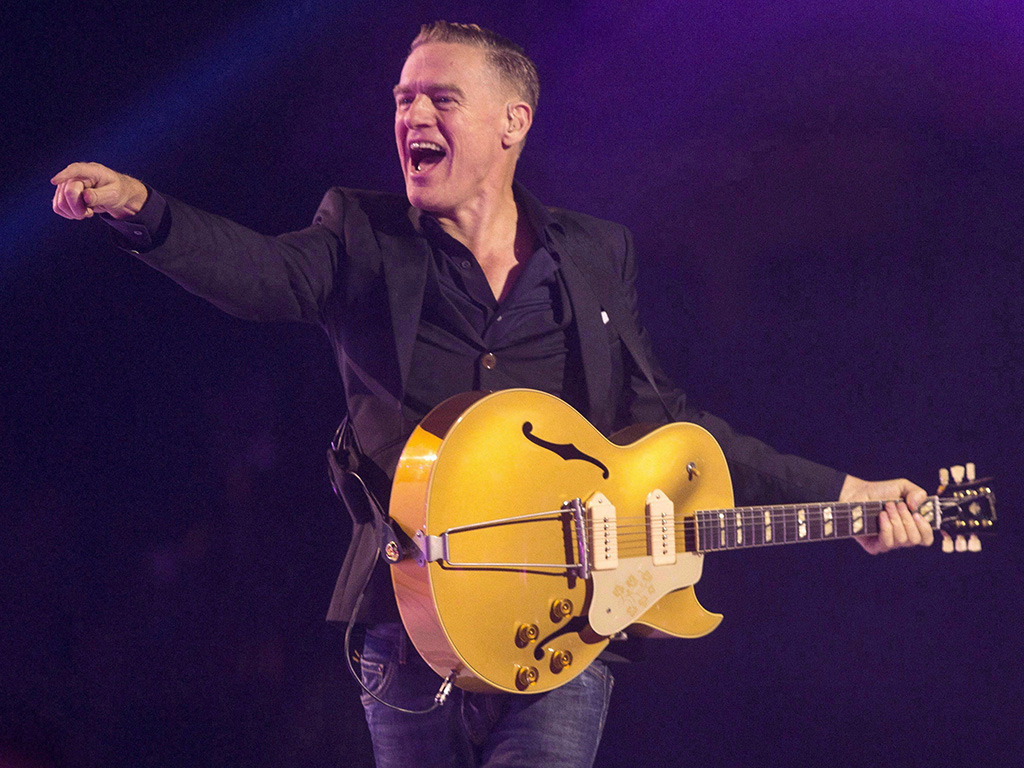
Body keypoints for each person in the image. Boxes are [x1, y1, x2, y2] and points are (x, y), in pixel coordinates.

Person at [51, 21, 934, 768]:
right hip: (411, 634)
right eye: (403, 99)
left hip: (563, 634)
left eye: (439, 98)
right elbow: (257, 274)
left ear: (513, 122)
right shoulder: (361, 234)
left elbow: (674, 430)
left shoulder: (592, 257)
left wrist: (846, 495)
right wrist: (143, 209)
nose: (411, 116)